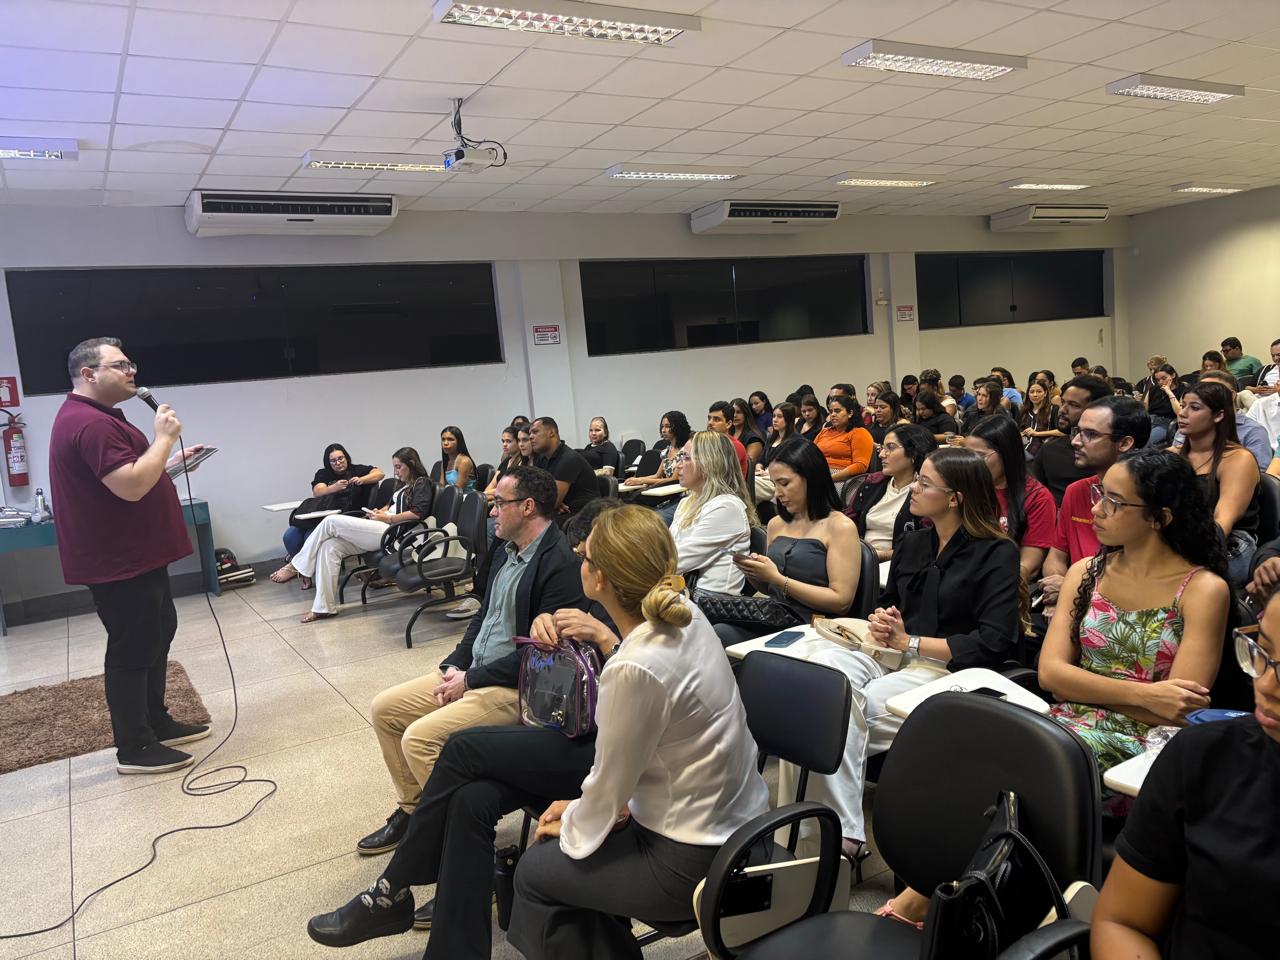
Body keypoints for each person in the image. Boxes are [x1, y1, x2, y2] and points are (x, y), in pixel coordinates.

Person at [306, 500, 621, 955]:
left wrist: (604, 641)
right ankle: (439, 922)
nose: (579, 564)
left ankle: (392, 887)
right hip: (567, 724)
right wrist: (540, 630)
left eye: (585, 557)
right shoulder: (555, 582)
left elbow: (626, 729)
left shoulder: (640, 629)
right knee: (470, 798)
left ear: (608, 569)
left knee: (455, 748)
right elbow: (497, 623)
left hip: (593, 750)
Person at [506, 507, 770, 960]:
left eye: (585, 557)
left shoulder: (634, 666)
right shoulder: (687, 615)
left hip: (693, 855)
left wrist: (573, 822)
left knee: (534, 874)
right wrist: (585, 813)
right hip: (742, 823)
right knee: (571, 866)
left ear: (601, 579)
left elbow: (609, 789)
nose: (579, 562)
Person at [807, 447, 1024, 876]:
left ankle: (837, 836)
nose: (914, 489)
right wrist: (885, 620)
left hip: (947, 669)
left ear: (955, 498)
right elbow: (891, 602)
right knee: (822, 679)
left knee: (835, 714)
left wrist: (912, 640)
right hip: (891, 653)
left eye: (925, 483)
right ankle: (835, 834)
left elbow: (993, 641)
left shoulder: (996, 553)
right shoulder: (914, 542)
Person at [355, 467, 585, 856]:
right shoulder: (506, 551)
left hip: (516, 687)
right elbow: (484, 616)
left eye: (499, 503)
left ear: (528, 507)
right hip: (476, 672)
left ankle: (464, 848)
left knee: (421, 739)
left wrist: (471, 680)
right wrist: (453, 665)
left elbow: (539, 657)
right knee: (385, 709)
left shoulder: (558, 564)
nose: (492, 512)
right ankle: (414, 811)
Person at [48, 337, 211, 774]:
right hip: (119, 560)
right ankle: (134, 747)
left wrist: (170, 462)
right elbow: (132, 486)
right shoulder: (89, 423)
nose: (131, 371)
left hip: (138, 553)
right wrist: (163, 439)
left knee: (157, 632)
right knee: (133, 645)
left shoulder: (99, 416)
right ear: (88, 374)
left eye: (130, 363)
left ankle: (155, 721)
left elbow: (129, 475)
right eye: (119, 365)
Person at [1090, 590, 1280, 959]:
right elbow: (1122, 923)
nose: (1266, 685)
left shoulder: (1202, 591)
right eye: (1263, 652)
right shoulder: (1203, 757)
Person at [1040, 450, 1229, 779]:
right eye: (1100, 494)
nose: (1096, 509)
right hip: (1065, 725)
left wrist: (1077, 686)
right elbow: (1050, 675)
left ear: (1159, 518)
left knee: (1034, 765)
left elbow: (1177, 711)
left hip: (1145, 748)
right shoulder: (1086, 572)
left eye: (1114, 502)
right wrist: (1145, 695)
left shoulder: (1203, 591)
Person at [713, 437, 860, 648]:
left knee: (723, 636)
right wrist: (754, 572)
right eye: (774, 484)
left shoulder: (840, 527)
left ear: (811, 478)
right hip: (775, 617)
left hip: (814, 628)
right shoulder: (776, 524)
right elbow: (769, 589)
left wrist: (778, 579)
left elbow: (841, 602)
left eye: (784, 483)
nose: (777, 493)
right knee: (715, 631)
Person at [270, 447, 433, 622]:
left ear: (412, 464)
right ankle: (323, 608)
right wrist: (379, 512)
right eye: (395, 467)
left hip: (393, 532)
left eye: (399, 467)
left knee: (331, 521)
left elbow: (417, 513)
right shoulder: (402, 484)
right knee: (329, 547)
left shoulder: (422, 483)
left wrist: (387, 518)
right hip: (382, 525)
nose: (396, 471)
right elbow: (392, 505)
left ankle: (296, 565)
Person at [1038, 396, 1151, 611]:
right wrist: (1056, 590)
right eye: (1077, 431)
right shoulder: (1076, 491)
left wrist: (1073, 588)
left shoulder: (1146, 500)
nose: (1075, 441)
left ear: (1124, 443)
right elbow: (1056, 556)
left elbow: (1147, 582)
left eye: (1090, 434)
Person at [1175, 380, 1262, 585]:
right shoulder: (1172, 456)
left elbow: (1222, 521)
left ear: (1218, 415)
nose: (1182, 413)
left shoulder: (1238, 459)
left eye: (1194, 407)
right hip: (1180, 535)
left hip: (1228, 542)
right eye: (1183, 405)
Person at [968, 416, 1058, 582]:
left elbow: (1029, 566)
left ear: (1007, 453)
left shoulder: (1038, 497)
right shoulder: (966, 487)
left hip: (1004, 582)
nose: (971, 463)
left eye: (979, 456)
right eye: (967, 455)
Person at [671, 431, 755, 594]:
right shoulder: (686, 502)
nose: (678, 466)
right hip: (684, 594)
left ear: (709, 463)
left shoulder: (727, 508)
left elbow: (677, 561)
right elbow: (667, 549)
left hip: (706, 601)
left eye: (686, 458)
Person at [844, 423, 936, 564]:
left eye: (890, 448)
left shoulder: (925, 492)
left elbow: (927, 545)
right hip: (859, 556)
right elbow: (850, 519)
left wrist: (883, 555)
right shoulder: (873, 482)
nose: (881, 454)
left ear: (913, 453)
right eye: (882, 448)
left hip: (899, 564)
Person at [283, 443, 385, 559]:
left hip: (346, 516)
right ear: (328, 463)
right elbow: (317, 492)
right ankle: (299, 565)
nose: (338, 463)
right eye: (333, 461)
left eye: (341, 458)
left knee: (309, 536)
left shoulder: (357, 470)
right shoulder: (323, 473)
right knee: (290, 536)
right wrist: (334, 488)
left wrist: (361, 479)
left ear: (346, 457)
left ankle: (307, 567)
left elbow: (380, 474)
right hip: (321, 514)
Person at [1031, 374, 1114, 504]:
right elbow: (1035, 498)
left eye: (1074, 405)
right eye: (1063, 402)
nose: (1062, 410)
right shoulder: (1049, 449)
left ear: (1098, 411)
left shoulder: (1108, 453)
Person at [1169, 369, 1273, 468]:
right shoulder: (1191, 425)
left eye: (1211, 390)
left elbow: (1259, 473)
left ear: (1231, 395)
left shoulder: (1252, 431)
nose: (1201, 394)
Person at [531, 416, 597, 519]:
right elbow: (533, 490)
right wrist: (553, 501)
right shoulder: (541, 458)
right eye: (530, 433)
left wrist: (553, 502)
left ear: (551, 433)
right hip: (564, 512)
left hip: (584, 516)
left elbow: (551, 503)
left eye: (535, 432)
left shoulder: (568, 458)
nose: (531, 436)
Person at [813, 394, 873, 483]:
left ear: (850, 413)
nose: (833, 415)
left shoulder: (859, 433)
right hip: (818, 474)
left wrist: (829, 479)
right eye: (831, 412)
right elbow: (810, 455)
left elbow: (860, 465)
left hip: (843, 478)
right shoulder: (824, 432)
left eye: (837, 411)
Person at [622, 411, 689, 490]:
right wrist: (636, 479)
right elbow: (657, 475)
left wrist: (641, 480)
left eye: (667, 426)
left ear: (678, 427)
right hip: (667, 490)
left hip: (678, 492)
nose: (663, 430)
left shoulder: (685, 451)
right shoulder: (667, 451)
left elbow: (673, 480)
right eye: (662, 426)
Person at [1019, 378, 1062, 458]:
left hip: (1042, 447)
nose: (1035, 395)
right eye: (1032, 392)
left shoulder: (1053, 409)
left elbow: (1061, 432)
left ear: (1045, 393)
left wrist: (1037, 433)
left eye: (1039, 391)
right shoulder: (1024, 411)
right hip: (1022, 445)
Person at [707, 400, 749, 478]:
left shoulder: (735, 446)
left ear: (728, 424)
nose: (710, 423)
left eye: (716, 419)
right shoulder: (706, 443)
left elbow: (720, 477)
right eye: (709, 418)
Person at [483, 426, 522, 502]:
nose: (504, 444)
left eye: (508, 441)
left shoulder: (522, 462)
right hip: (497, 498)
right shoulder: (506, 461)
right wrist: (485, 496)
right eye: (503, 441)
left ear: (518, 442)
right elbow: (493, 484)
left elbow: (508, 489)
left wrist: (485, 493)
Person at [430, 426, 475, 492]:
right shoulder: (445, 462)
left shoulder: (464, 461)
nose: (445, 443)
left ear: (459, 442)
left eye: (450, 439)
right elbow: (441, 487)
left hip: (464, 497)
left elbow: (458, 491)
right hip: (450, 495)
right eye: (443, 439)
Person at [728, 397, 765, 464]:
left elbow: (749, 464)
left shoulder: (753, 438)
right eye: (732, 412)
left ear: (746, 414)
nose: (735, 415)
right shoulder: (728, 434)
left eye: (739, 412)